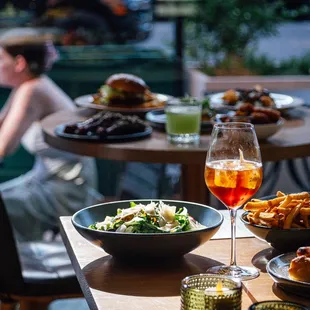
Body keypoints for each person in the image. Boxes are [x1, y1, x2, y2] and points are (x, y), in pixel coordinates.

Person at [0, 28, 103, 241]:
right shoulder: (26, 85)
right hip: (43, 180)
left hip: (65, 191)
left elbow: (4, 148)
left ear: (19, 63)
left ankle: (12, 272)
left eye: (0, 58)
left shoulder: (32, 90)